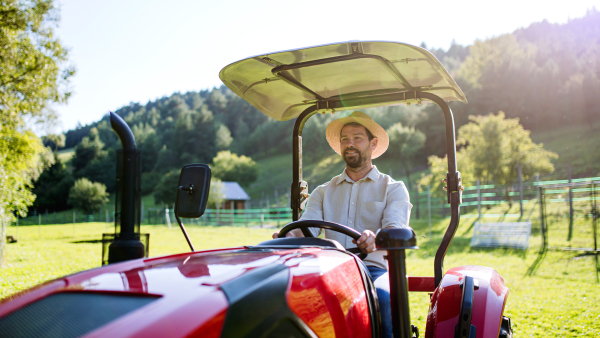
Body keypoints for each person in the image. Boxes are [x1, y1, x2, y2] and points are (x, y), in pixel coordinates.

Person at [272, 111, 413, 338]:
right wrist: (286, 237)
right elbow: (305, 225)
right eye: (345, 139)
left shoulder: (393, 188)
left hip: (374, 270)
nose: (350, 144)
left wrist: (376, 239)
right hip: (332, 269)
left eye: (357, 137)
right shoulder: (323, 191)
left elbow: (394, 228)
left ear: (372, 143)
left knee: (385, 297)